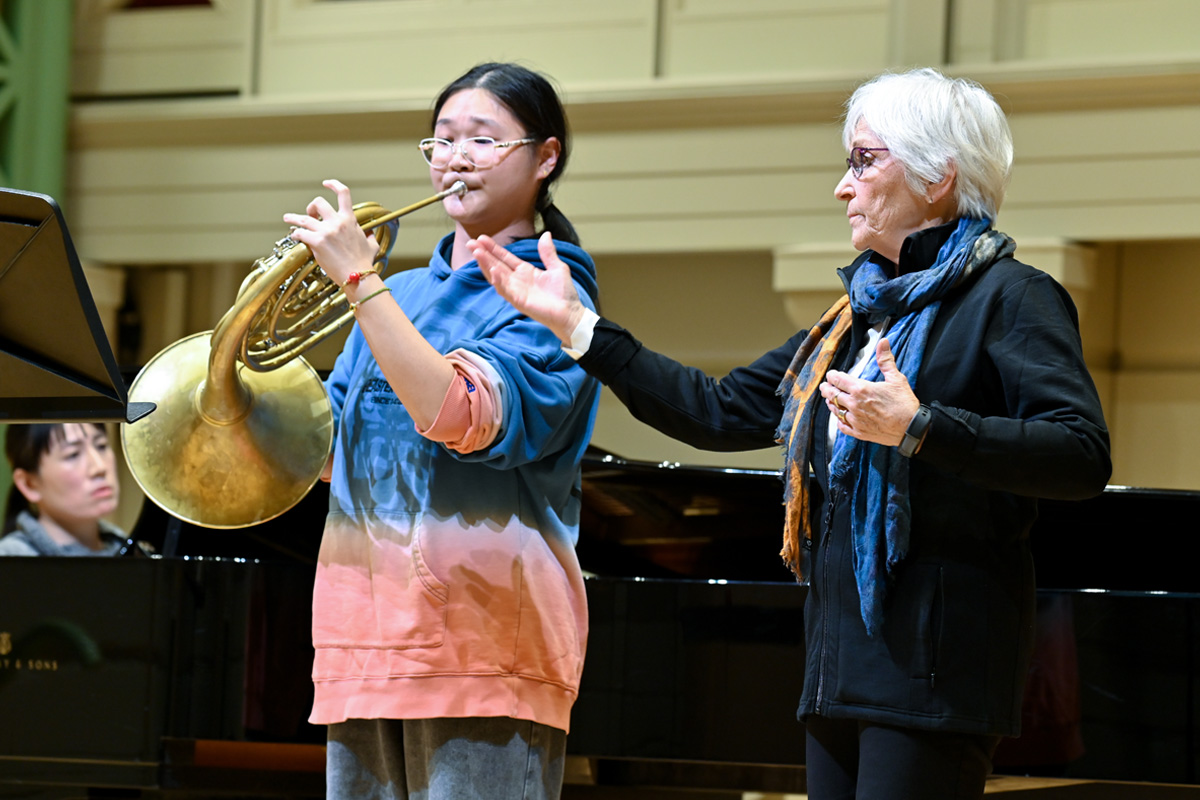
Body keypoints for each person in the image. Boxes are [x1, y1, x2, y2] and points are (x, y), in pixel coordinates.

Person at [472, 67, 1111, 799]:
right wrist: (574, 325)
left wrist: (922, 428)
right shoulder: (854, 318)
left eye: (864, 161)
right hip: (838, 668)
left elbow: (1079, 453)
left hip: (935, 674)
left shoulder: (1012, 296)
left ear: (938, 180)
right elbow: (715, 410)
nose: (844, 186)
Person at [284, 63, 600, 800]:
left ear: (544, 157)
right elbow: (329, 453)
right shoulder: (400, 295)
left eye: (483, 140)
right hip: (362, 640)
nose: (455, 157)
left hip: (481, 648)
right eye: (443, 140)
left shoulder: (557, 296)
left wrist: (362, 287)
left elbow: (459, 416)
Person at [1, 423, 125, 556]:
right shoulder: (11, 562)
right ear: (29, 484)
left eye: (101, 446)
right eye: (73, 454)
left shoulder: (134, 550)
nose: (100, 467)